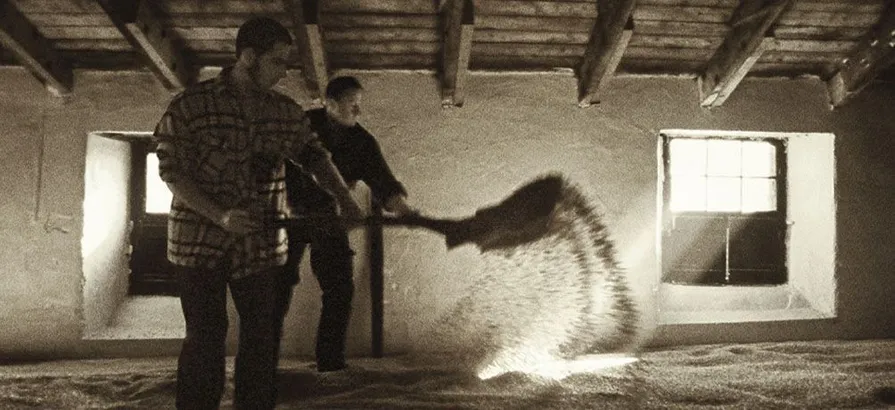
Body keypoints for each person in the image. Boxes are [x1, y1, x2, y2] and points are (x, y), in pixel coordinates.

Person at [153, 17, 362, 410]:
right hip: (199, 244)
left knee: (262, 335)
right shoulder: (190, 107)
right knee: (205, 334)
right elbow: (173, 173)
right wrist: (220, 216)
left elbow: (314, 157)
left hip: (261, 246)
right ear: (249, 57)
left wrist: (344, 201)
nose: (285, 71)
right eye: (278, 61)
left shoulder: (283, 112)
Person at [275, 76, 415, 373]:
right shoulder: (302, 127)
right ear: (331, 104)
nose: (358, 112)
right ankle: (264, 359)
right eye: (353, 104)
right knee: (276, 287)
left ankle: (330, 362)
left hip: (331, 217)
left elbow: (382, 182)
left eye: (359, 105)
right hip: (287, 216)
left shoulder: (362, 142)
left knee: (339, 290)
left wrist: (405, 211)